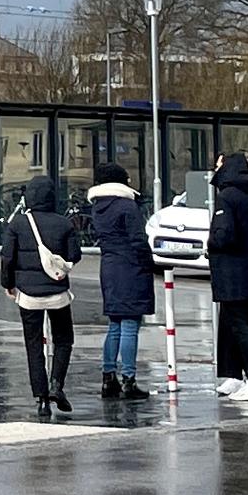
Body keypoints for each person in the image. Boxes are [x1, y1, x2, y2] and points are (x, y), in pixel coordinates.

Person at [0, 172, 84, 416]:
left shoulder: (17, 224)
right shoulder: (64, 223)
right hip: (58, 293)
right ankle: (57, 383)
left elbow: (7, 258)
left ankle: (41, 399)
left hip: (28, 295)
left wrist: (8, 284)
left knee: (33, 345)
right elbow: (74, 256)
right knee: (63, 339)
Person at [204, 150, 248, 399]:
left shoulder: (227, 197)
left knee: (240, 326)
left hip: (232, 274)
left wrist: (210, 245)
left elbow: (223, 235)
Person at [85, 159, 157, 400]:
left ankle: (108, 378)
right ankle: (129, 380)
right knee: (129, 325)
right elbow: (138, 240)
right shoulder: (126, 207)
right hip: (131, 268)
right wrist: (149, 264)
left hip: (109, 268)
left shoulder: (98, 207)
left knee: (114, 325)